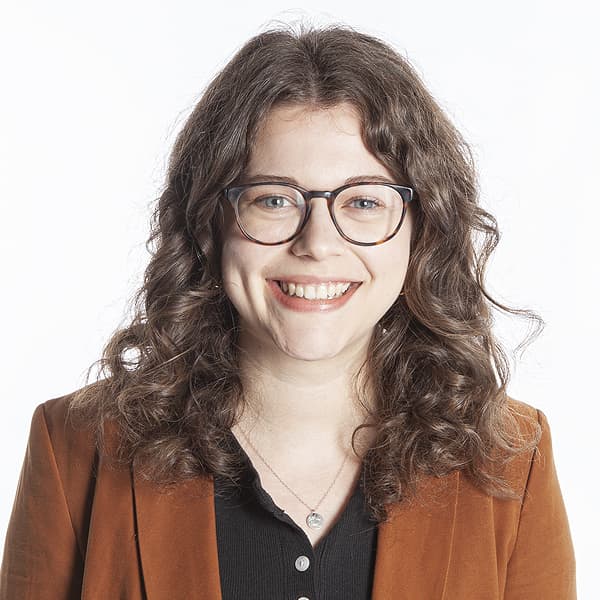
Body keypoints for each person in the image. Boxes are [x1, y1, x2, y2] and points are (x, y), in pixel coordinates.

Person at [0, 22, 576, 600]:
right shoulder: (74, 447)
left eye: (364, 201)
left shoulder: (511, 460)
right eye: (274, 199)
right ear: (209, 223)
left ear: (423, 230)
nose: (318, 244)